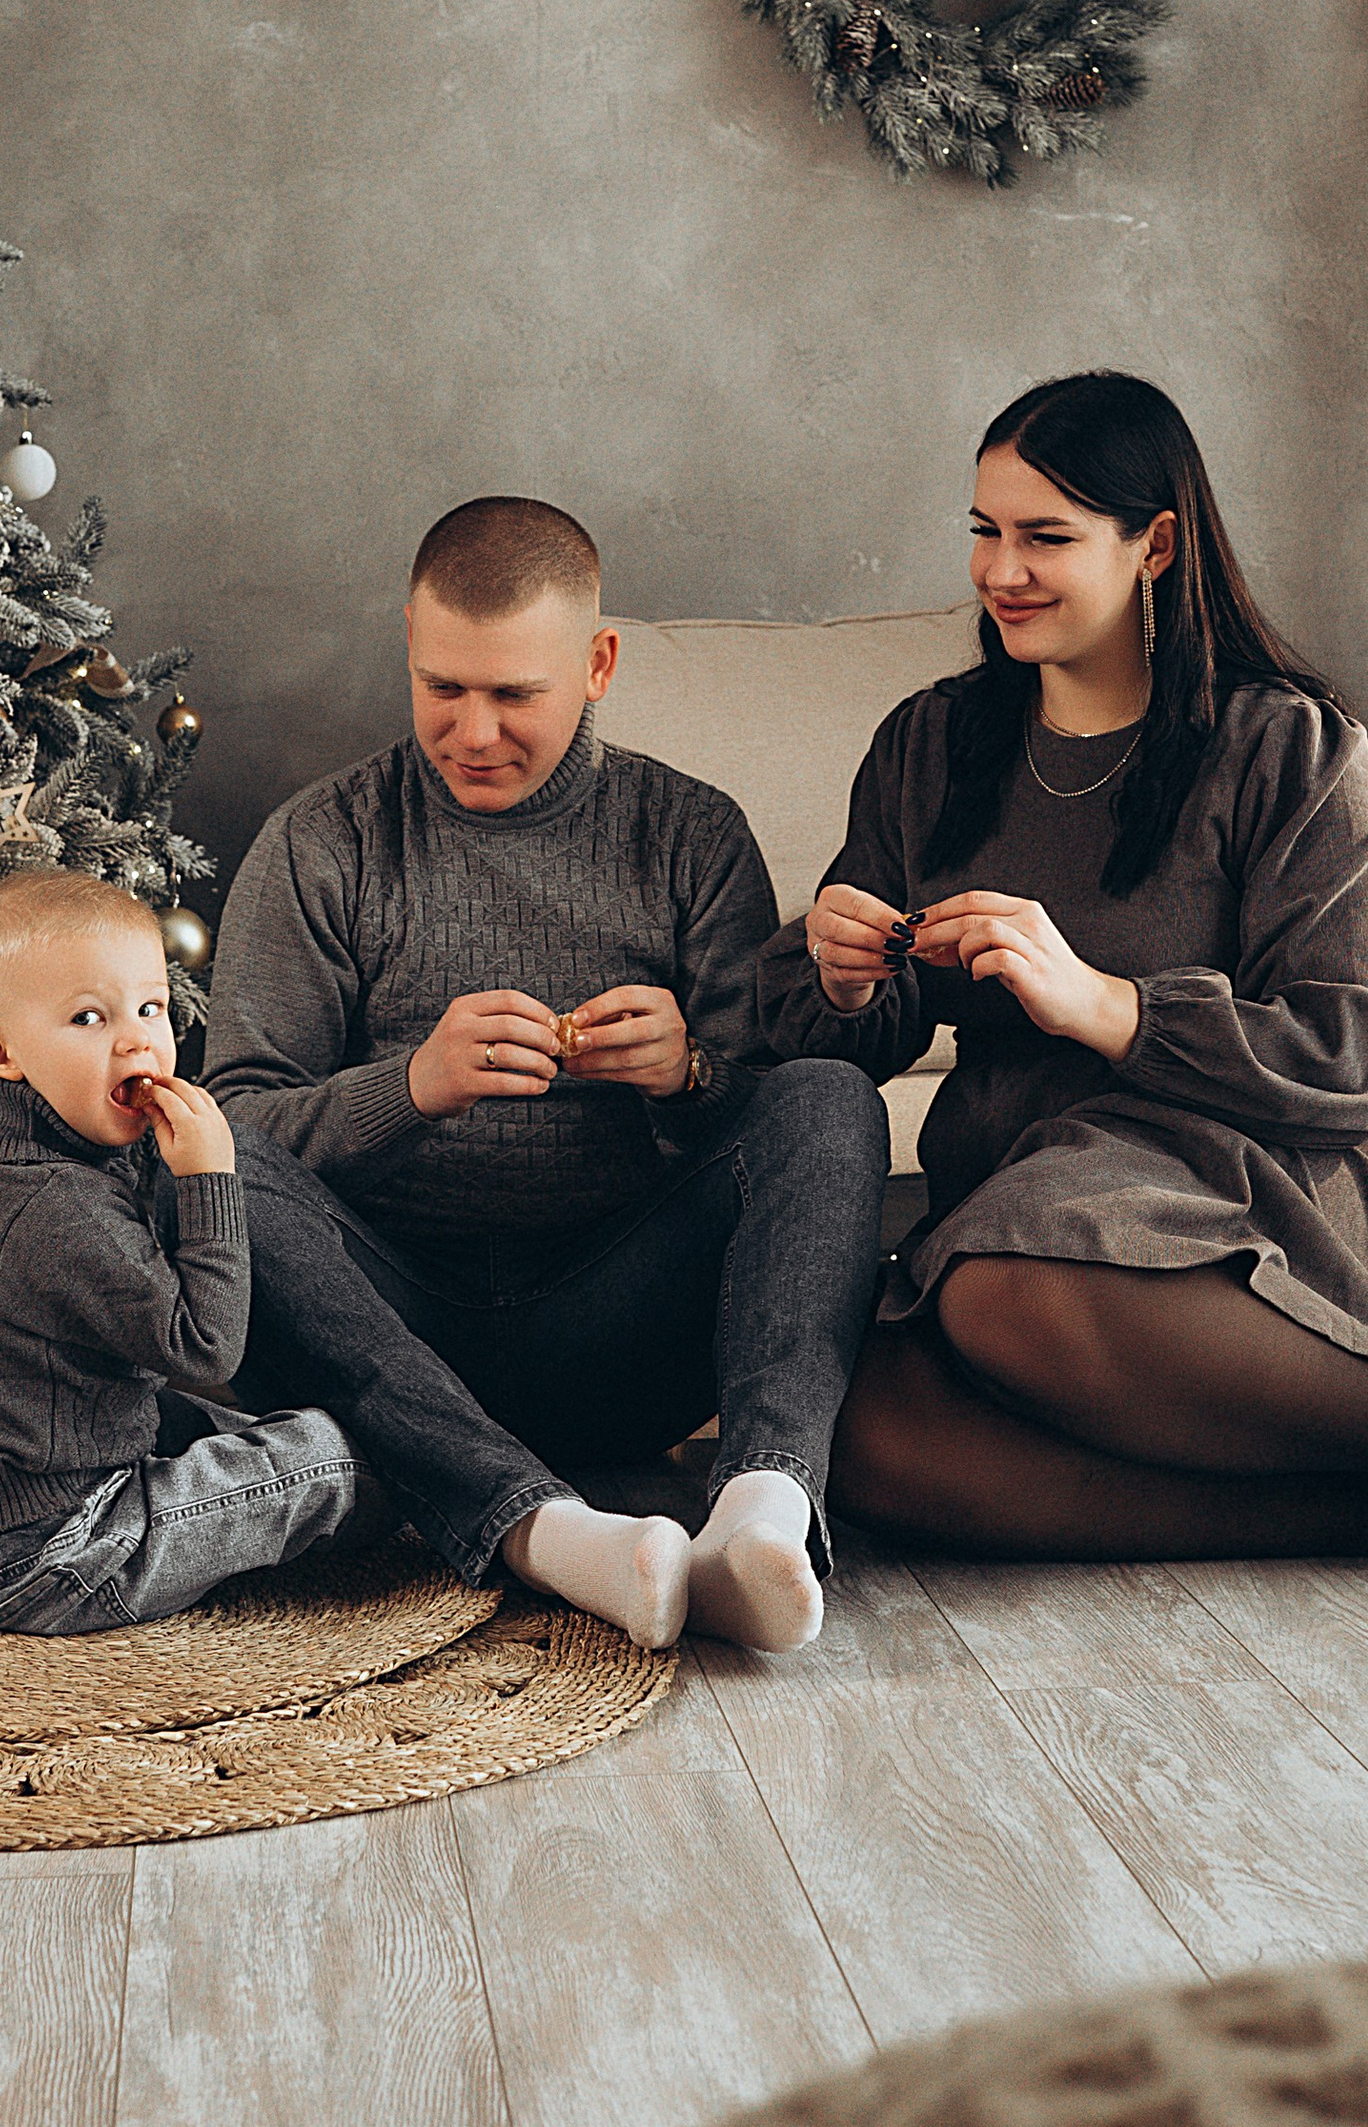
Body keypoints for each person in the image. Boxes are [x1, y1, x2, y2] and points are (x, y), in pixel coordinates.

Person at [761, 369, 1368, 1572]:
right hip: (1017, 1192)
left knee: (1005, 1283)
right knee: (868, 1441)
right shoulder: (928, 743)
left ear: (1153, 545)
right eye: (984, 531)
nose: (1000, 570)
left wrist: (1108, 1006)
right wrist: (843, 979)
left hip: (1249, 1180)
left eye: (1046, 536)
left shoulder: (1284, 743)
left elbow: (1356, 1049)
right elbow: (830, 1037)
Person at [205, 496, 893, 1651]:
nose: (473, 731)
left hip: (619, 1329)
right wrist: (411, 1086)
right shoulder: (321, 840)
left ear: (598, 664)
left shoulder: (688, 832)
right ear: (409, 648)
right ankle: (541, 1529)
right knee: (203, 1163)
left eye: (514, 694)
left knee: (830, 1096)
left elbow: (768, 1135)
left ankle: (761, 1505)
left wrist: (686, 1074)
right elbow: (231, 1123)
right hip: (388, 1337)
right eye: (442, 686)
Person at [0, 866, 402, 1633]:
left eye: (151, 1007)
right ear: (0, 1052)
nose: (136, 1038)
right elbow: (206, 1348)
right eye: (89, 1018)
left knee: (200, 1421)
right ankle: (403, 1518)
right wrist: (208, 1179)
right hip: (52, 1551)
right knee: (344, 1456)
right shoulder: (63, 1207)